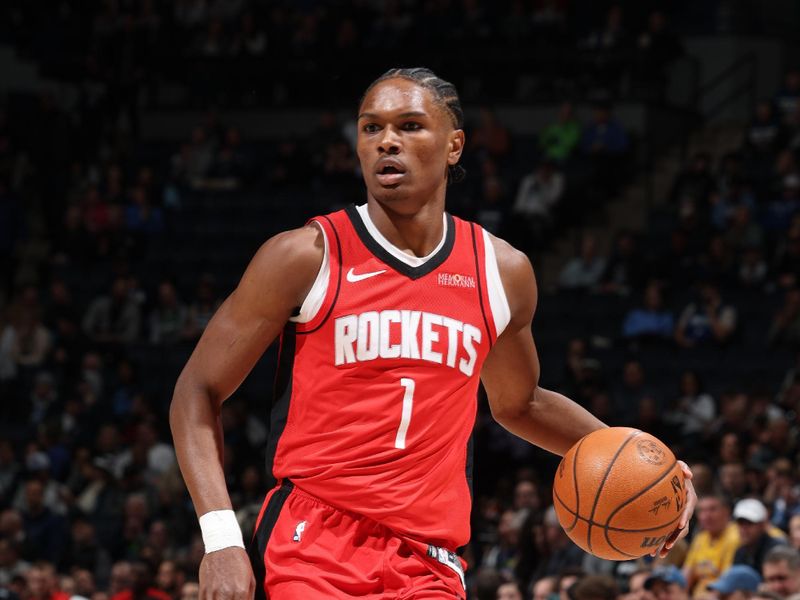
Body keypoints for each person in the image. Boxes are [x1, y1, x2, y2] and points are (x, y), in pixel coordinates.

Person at [169, 67, 697, 599]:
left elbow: (521, 403)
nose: (387, 141)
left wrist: (650, 466)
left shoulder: (501, 271)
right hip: (313, 549)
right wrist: (221, 541)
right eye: (371, 127)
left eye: (410, 126)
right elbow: (197, 390)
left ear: (454, 145)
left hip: (431, 564)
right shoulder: (306, 256)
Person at [683, 494, 740, 597]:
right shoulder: (700, 538)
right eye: (702, 511)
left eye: (713, 509)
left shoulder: (735, 536)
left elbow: (727, 581)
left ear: (727, 511)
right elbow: (687, 575)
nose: (706, 516)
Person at [733, 499, 786, 573]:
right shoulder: (740, 552)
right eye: (741, 523)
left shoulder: (778, 550)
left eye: (749, 523)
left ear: (762, 525)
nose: (744, 529)